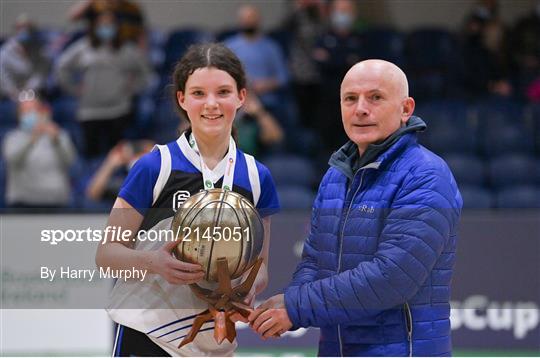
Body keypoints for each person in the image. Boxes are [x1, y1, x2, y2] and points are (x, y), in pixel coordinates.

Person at [248, 59, 462, 356]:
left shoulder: (426, 175)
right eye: (350, 98)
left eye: (375, 97)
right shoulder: (336, 175)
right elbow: (315, 260)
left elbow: (392, 277)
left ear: (406, 108)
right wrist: (290, 301)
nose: (360, 108)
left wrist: (297, 307)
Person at [95, 43, 280, 356]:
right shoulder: (155, 167)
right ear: (182, 99)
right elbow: (107, 255)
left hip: (214, 341)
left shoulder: (256, 176)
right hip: (148, 333)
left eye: (223, 92)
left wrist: (245, 288)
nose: (211, 104)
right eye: (198, 93)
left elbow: (259, 267)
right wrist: (152, 262)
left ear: (241, 97)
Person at [56, 10, 152, 158]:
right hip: (89, 112)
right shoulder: (83, 47)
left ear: (116, 27)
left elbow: (145, 72)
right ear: (94, 27)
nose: (106, 28)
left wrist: (132, 89)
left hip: (118, 111)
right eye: (102, 25)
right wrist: (74, 89)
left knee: (118, 157)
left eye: (110, 24)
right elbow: (61, 67)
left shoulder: (126, 49)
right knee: (91, 157)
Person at [2, 95, 76, 208]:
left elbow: (70, 161)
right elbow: (12, 160)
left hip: (57, 203)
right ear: (19, 115)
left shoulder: (59, 135)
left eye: (33, 110)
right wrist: (32, 140)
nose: (29, 114)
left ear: (42, 112)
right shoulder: (12, 138)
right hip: (22, 203)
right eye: (25, 111)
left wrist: (57, 141)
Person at [0, 15, 51, 101]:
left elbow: (40, 74)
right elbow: (3, 78)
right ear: (16, 30)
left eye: (28, 28)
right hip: (9, 97)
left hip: (34, 95)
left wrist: (29, 90)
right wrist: (14, 93)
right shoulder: (4, 53)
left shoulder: (41, 52)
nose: (25, 31)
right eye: (21, 28)